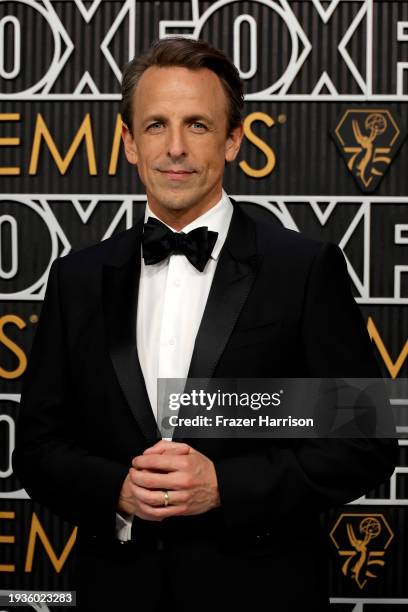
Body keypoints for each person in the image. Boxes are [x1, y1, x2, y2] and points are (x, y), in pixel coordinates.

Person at [13, 38, 397, 611]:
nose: (174, 148)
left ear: (233, 139)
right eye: (155, 126)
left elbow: (366, 441)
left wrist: (226, 487)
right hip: (118, 593)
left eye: (196, 124)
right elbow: (38, 449)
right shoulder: (77, 279)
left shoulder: (304, 269)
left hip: (259, 596)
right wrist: (115, 488)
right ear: (128, 143)